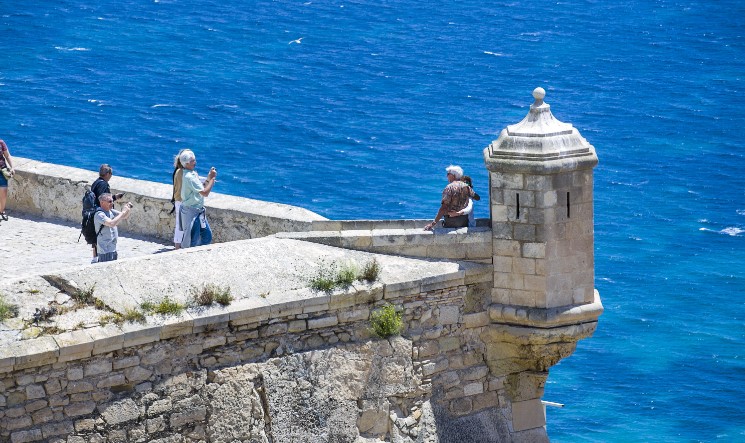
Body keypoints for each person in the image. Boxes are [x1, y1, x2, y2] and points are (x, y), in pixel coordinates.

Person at [179, 150, 217, 248]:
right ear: (186, 163)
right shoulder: (189, 177)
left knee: (207, 237)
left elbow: (202, 188)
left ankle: (195, 254)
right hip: (191, 211)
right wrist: (212, 179)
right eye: (192, 161)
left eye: (194, 160)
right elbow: (205, 193)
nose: (195, 163)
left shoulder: (192, 174)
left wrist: (208, 178)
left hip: (198, 211)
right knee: (192, 240)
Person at [424, 165, 476, 231]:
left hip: (451, 222)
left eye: (448, 174)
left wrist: (433, 224)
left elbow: (443, 208)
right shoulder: (467, 187)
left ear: (453, 175)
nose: (447, 176)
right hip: (464, 222)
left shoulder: (449, 188)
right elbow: (473, 198)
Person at [89, 164, 124, 259]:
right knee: (102, 240)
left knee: (96, 241)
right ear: (107, 173)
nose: (112, 175)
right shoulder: (103, 184)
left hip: (94, 213)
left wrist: (114, 197)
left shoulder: (96, 182)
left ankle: (95, 260)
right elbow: (103, 200)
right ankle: (98, 261)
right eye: (111, 173)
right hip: (101, 215)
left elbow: (101, 199)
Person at [93, 193, 133, 263]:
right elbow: (111, 223)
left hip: (112, 247)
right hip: (104, 249)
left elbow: (124, 217)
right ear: (102, 202)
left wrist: (128, 209)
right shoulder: (99, 214)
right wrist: (123, 212)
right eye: (109, 201)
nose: (112, 203)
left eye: (112, 201)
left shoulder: (110, 211)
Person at [171, 150, 186, 249]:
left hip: (178, 200)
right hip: (181, 200)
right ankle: (178, 246)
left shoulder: (177, 171)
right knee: (180, 225)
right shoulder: (181, 172)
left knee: (179, 224)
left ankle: (178, 245)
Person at [0, 139, 16, 221]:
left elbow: (7, 156)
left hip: (2, 170)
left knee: (4, 191)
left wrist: (12, 167)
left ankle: (1, 211)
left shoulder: (1, 143)